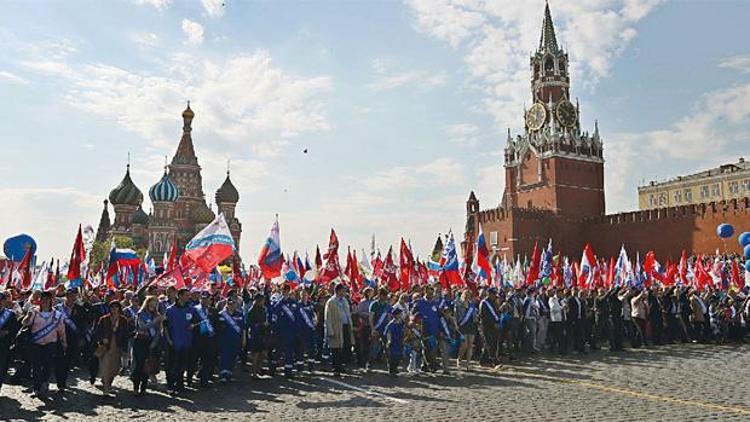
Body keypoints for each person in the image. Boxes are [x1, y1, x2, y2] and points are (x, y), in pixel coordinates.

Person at [22, 290, 66, 398]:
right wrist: (28, 316)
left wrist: (64, 343)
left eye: (47, 299)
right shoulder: (34, 312)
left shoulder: (57, 314)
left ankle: (44, 383)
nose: (45, 301)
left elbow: (61, 330)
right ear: (40, 301)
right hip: (36, 343)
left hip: (50, 344)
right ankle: (36, 389)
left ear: (51, 300)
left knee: (47, 366)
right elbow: (25, 323)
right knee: (36, 366)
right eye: (43, 299)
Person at [164, 288, 198, 395]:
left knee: (182, 364)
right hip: (173, 342)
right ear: (180, 296)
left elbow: (196, 323)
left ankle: (180, 384)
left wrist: (193, 326)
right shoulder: (170, 310)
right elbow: (165, 327)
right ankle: (170, 385)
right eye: (187, 295)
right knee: (171, 365)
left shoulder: (191, 309)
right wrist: (169, 339)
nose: (189, 297)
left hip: (186, 342)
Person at [94, 300, 128, 396]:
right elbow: (97, 332)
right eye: (112, 307)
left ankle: (108, 385)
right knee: (106, 367)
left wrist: (125, 350)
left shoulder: (123, 320)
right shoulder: (104, 319)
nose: (114, 309)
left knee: (114, 368)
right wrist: (102, 339)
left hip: (117, 346)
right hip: (106, 346)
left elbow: (125, 335)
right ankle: (106, 389)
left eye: (116, 307)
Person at [132, 295, 163, 396]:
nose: (154, 304)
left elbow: (159, 331)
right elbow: (142, 327)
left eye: (156, 302)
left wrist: (154, 343)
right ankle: (136, 387)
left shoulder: (157, 315)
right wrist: (154, 322)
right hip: (140, 341)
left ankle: (144, 388)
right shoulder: (141, 314)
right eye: (152, 301)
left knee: (147, 365)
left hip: (151, 341)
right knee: (139, 364)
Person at [324, 283, 353, 377]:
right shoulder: (331, 302)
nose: (345, 292)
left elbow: (347, 313)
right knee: (336, 349)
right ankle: (336, 368)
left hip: (345, 327)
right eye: (343, 290)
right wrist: (330, 330)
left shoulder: (345, 300)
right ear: (339, 291)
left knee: (344, 347)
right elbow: (327, 317)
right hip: (336, 328)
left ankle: (341, 366)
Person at [271, 284, 299, 378]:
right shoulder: (278, 304)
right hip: (280, 332)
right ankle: (272, 368)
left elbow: (297, 317)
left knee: (289, 352)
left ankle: (288, 371)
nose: (285, 292)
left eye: (287, 290)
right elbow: (274, 318)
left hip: (291, 332)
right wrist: (275, 331)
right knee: (278, 351)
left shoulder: (294, 303)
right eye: (284, 290)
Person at [217, 298, 246, 383]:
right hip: (225, 340)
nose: (231, 305)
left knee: (233, 357)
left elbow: (244, 328)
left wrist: (244, 339)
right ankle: (223, 375)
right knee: (224, 357)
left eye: (233, 303)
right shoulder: (221, 314)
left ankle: (229, 374)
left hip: (236, 339)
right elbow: (218, 328)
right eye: (229, 304)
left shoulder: (240, 314)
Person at [192, 292, 218, 387]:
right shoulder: (194, 310)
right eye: (203, 298)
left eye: (207, 298)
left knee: (207, 360)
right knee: (193, 360)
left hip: (209, 339)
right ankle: (190, 378)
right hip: (197, 339)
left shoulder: (214, 311)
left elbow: (216, 325)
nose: (205, 300)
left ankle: (204, 380)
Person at [0, 292, 20, 392]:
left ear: (4, 302)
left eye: (1, 301)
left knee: (1, 367)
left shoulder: (10, 314)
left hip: (3, 345)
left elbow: (16, 329)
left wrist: (7, 332)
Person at [368, 288, 392, 369]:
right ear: (379, 295)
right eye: (383, 295)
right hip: (376, 328)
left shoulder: (388, 306)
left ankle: (390, 365)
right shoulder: (374, 304)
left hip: (385, 329)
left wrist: (389, 329)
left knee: (387, 346)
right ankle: (370, 363)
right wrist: (372, 329)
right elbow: (371, 317)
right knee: (374, 347)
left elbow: (389, 318)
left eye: (386, 295)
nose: (385, 297)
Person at [247, 293, 269, 378]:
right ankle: (254, 373)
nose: (263, 301)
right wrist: (261, 324)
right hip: (255, 334)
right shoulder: (251, 310)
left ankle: (259, 367)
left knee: (263, 353)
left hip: (263, 333)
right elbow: (250, 323)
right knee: (255, 354)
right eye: (262, 300)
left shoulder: (263, 309)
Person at [454, 289, 478, 370]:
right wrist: (456, 324)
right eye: (466, 294)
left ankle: (468, 364)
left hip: (471, 325)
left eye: (469, 294)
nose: (467, 295)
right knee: (464, 345)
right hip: (462, 325)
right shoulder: (458, 303)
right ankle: (459, 359)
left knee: (470, 345)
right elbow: (455, 315)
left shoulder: (472, 304)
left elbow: (474, 314)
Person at [296, 288, 317, 373]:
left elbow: (313, 315)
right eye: (303, 295)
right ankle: (300, 367)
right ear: (300, 296)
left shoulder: (310, 305)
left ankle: (311, 366)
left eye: (305, 295)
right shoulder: (298, 305)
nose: (304, 296)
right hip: (301, 331)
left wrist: (315, 321)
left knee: (311, 348)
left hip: (310, 330)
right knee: (300, 349)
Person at [479, 288, 501, 366]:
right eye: (494, 294)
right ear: (489, 294)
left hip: (495, 326)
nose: (495, 296)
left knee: (493, 344)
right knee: (489, 343)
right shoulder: (484, 303)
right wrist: (492, 324)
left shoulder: (494, 302)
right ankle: (491, 360)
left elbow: (497, 313)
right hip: (487, 327)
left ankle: (484, 360)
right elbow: (483, 316)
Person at [384, 307, 404, 377]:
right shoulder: (391, 324)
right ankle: (391, 370)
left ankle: (395, 368)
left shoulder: (400, 323)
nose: (401, 315)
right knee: (393, 357)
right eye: (399, 314)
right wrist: (389, 341)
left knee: (398, 356)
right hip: (393, 343)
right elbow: (388, 333)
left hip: (399, 342)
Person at [548, 288, 566, 354]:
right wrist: (561, 308)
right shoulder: (552, 299)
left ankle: (561, 350)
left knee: (561, 335)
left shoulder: (561, 300)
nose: (561, 294)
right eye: (560, 293)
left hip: (561, 319)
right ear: (557, 293)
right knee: (556, 335)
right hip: (555, 319)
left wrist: (564, 306)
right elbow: (553, 308)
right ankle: (553, 349)